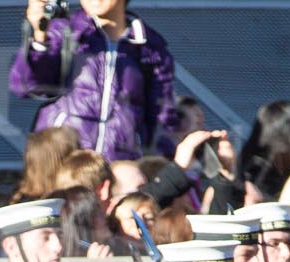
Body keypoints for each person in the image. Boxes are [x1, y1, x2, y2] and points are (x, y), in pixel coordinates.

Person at [11, 0, 176, 162]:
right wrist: (40, 37)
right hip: (62, 161)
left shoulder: (149, 46)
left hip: (119, 167)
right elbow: (25, 86)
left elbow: (162, 116)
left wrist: (157, 170)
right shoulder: (64, 31)